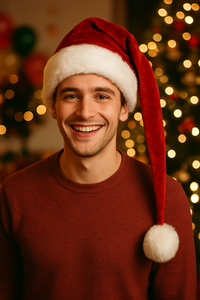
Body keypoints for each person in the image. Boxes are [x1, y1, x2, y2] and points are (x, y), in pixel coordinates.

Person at [0, 17, 196, 299]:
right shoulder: (16, 193)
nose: (85, 112)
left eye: (102, 96)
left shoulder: (166, 197)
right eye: (70, 96)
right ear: (53, 106)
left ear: (124, 108)